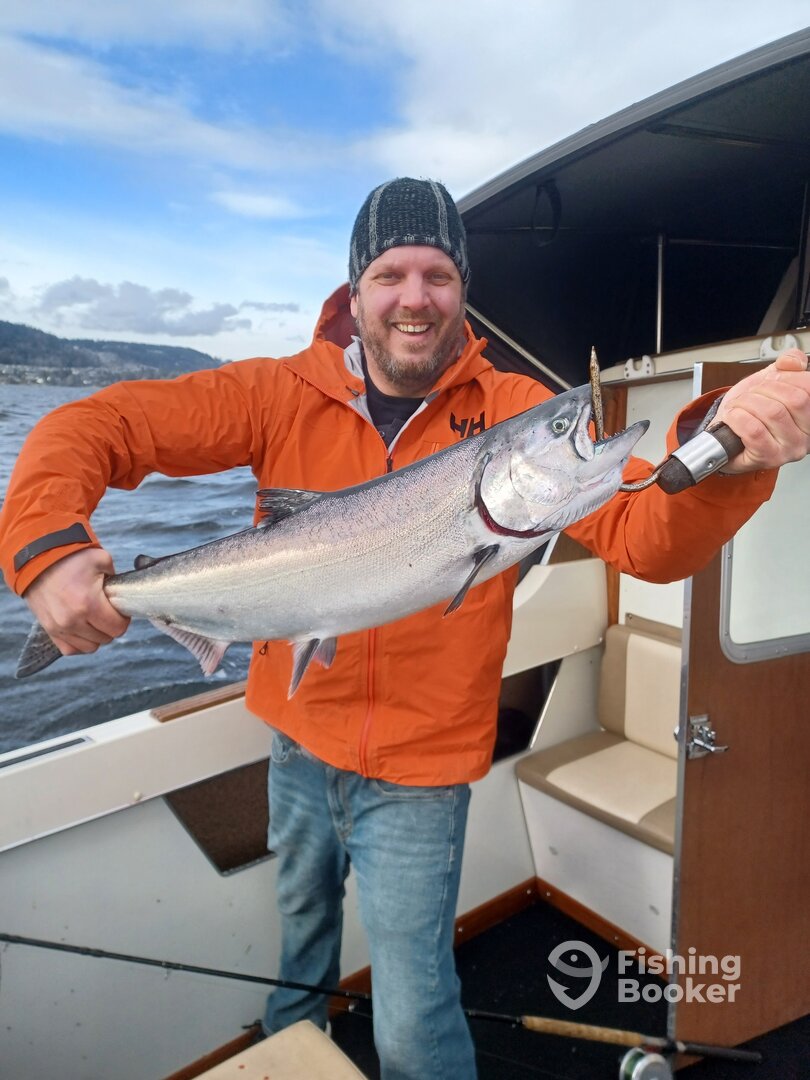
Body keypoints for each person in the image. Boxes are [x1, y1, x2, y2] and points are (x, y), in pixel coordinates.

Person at [1, 178, 808, 1080]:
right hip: (298, 739)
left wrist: (734, 463)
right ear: (355, 291)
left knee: (415, 1007)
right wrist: (46, 546)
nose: (414, 297)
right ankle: (287, 1050)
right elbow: (95, 423)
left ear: (463, 289)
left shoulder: (511, 408)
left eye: (438, 273)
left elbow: (645, 540)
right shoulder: (275, 393)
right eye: (390, 274)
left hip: (424, 771)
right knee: (300, 928)